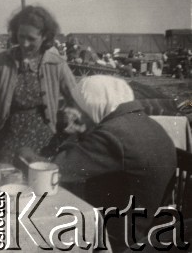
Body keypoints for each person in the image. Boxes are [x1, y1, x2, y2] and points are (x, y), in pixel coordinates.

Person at [53, 76, 177, 252]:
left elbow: (56, 170)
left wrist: (67, 134)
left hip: (121, 241)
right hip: (151, 229)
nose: (73, 111)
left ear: (92, 105)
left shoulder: (112, 135)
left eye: (76, 105)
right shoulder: (144, 122)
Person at [0, 5, 82, 166]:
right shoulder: (1, 62)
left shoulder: (56, 64)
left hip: (44, 140)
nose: (24, 43)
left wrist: (72, 123)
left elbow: (77, 100)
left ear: (44, 37)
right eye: (21, 36)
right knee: (6, 184)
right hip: (9, 136)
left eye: (31, 39)